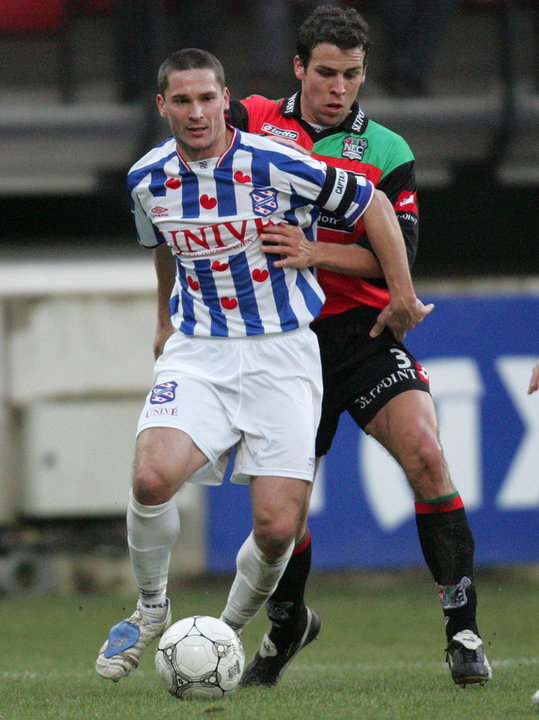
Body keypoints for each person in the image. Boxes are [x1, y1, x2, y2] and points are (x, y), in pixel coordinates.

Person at [94, 46, 431, 681]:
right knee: (149, 480)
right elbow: (162, 244)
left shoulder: (275, 162)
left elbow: (376, 207)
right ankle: (149, 609)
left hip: (283, 355)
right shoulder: (146, 178)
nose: (197, 113)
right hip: (200, 354)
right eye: (183, 100)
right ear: (162, 106)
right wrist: (165, 322)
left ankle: (225, 631)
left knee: (277, 528)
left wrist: (403, 294)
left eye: (207, 98)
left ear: (228, 100)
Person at [226, 4, 492, 688]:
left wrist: (314, 249)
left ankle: (462, 630)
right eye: (324, 73)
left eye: (349, 74)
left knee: (428, 456)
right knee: (280, 519)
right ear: (298, 68)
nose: (337, 87)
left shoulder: (386, 151)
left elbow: (395, 254)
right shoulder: (253, 119)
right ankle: (288, 624)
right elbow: (196, 147)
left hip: (364, 335)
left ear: (362, 72)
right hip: (283, 343)